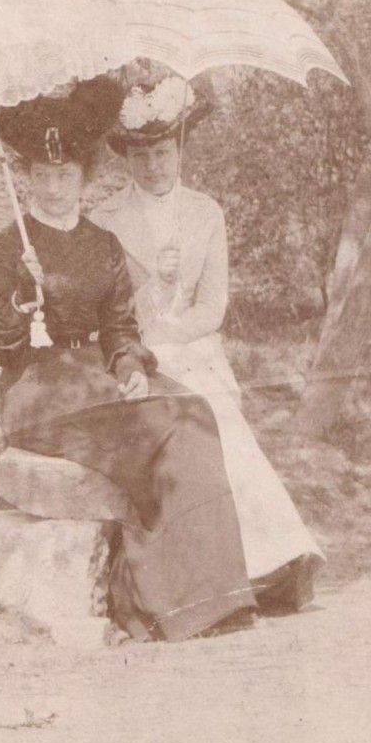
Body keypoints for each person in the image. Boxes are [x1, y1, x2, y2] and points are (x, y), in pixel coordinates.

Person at [0, 77, 258, 641]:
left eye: (65, 176)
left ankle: (205, 597)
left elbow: (119, 328)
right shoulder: (8, 245)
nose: (54, 188)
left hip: (97, 383)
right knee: (163, 430)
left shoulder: (100, 242)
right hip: (39, 392)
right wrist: (21, 291)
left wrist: (131, 370)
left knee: (193, 413)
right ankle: (155, 601)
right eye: (42, 176)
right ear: (27, 179)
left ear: (83, 177)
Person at [91, 74, 324, 613]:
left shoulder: (205, 213)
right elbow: (110, 311)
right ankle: (204, 576)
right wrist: (152, 286)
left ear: (180, 150)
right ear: (126, 157)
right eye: (143, 154)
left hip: (194, 351)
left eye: (164, 152)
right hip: (134, 353)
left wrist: (171, 328)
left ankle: (270, 561)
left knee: (219, 420)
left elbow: (213, 307)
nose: (154, 166)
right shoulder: (104, 220)